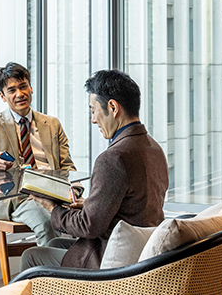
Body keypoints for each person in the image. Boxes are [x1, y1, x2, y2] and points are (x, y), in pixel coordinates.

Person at [22, 69, 169, 269]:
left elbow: (88, 226)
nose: (93, 120)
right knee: (55, 243)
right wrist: (90, 204)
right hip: (141, 251)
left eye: (93, 110)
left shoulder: (113, 158)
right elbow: (134, 205)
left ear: (113, 107)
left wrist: (52, 208)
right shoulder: (153, 148)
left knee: (31, 256)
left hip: (112, 260)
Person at [0, 62, 75, 246]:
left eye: (23, 87)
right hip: (16, 198)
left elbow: (68, 167)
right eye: (12, 90)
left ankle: (77, 270)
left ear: (30, 88)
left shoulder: (52, 124)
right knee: (48, 223)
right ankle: (50, 273)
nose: (19, 94)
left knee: (85, 220)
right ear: (3, 96)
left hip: (53, 192)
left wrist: (74, 192)